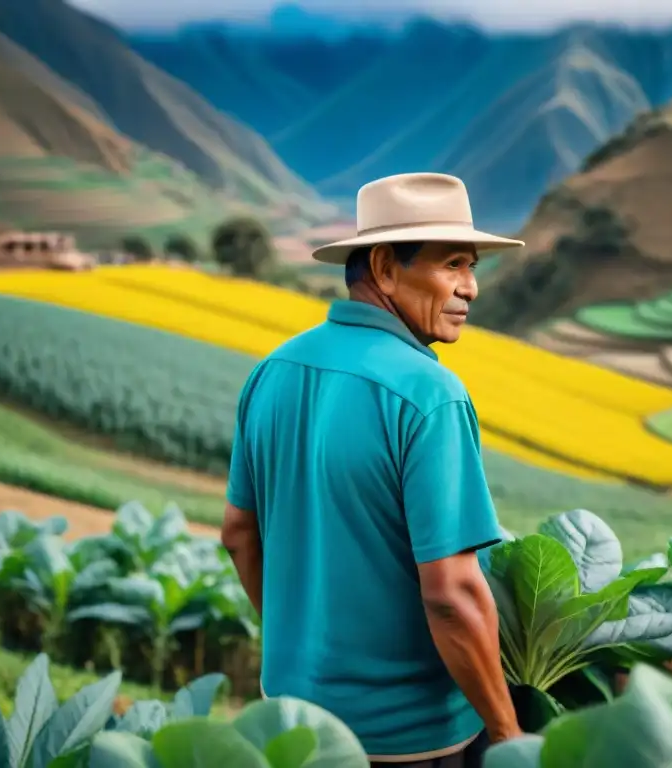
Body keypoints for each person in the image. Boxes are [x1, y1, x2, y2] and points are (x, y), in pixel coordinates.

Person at [220, 173, 525, 767]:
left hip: (290, 727)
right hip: (410, 741)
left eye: (473, 267)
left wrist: (302, 653)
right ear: (385, 268)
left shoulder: (272, 371)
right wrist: (508, 732)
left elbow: (238, 535)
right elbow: (451, 594)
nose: (471, 288)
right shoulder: (429, 394)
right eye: (454, 265)